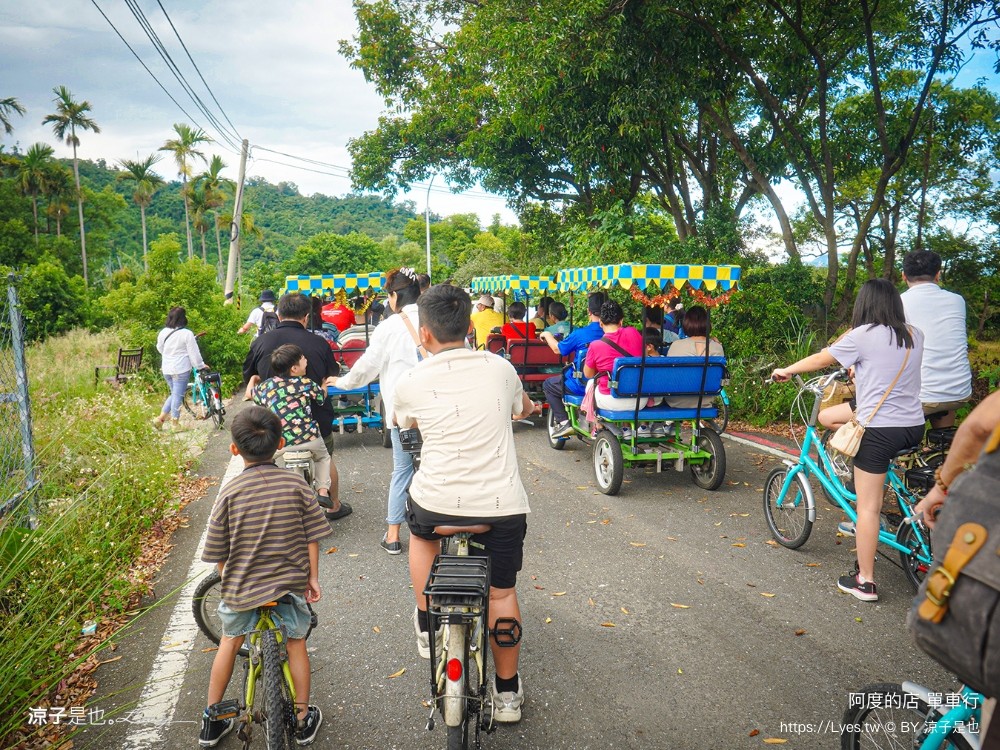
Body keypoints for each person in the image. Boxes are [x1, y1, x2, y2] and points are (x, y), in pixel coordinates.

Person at [394, 284, 539, 723]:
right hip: (501, 506)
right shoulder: (501, 368)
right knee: (503, 593)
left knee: (420, 534)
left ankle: (425, 619)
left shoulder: (412, 380)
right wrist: (522, 408)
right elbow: (523, 407)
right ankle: (508, 694)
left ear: (424, 335)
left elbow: (405, 422)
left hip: (437, 503)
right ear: (470, 326)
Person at [771, 278, 925, 602]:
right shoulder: (915, 334)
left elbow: (821, 359)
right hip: (912, 427)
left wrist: (787, 369)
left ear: (864, 305)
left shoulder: (863, 336)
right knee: (875, 478)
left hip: (880, 430)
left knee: (867, 508)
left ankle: (865, 581)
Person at [199, 406, 329, 748]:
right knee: (296, 642)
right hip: (289, 586)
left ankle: (212, 720)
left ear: (234, 449)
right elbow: (311, 535)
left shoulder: (228, 492)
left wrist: (228, 580)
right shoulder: (296, 485)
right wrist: (312, 579)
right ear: (281, 444)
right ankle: (301, 719)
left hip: (241, 590)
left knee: (230, 641)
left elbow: (217, 554)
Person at [328, 267, 423, 554]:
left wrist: (342, 382)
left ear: (394, 296)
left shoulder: (388, 327)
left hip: (403, 414)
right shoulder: (438, 319)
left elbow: (367, 368)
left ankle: (393, 534)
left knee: (403, 469)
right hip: (440, 411)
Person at [243, 292, 351, 521]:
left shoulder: (260, 342)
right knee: (325, 456)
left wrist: (256, 382)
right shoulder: (319, 343)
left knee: (267, 461)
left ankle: (268, 507)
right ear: (306, 317)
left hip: (272, 426)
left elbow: (249, 375)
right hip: (315, 423)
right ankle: (333, 505)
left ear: (278, 315)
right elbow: (331, 376)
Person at [252, 344, 337, 507]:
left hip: (280, 442)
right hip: (309, 437)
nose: (306, 360)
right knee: (323, 457)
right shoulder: (305, 383)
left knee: (265, 461)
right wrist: (324, 384)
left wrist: (252, 380)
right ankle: (323, 492)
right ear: (295, 368)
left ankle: (269, 492)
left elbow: (252, 395)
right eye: (303, 358)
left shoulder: (267, 385)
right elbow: (321, 397)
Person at [900, 249, 972, 428]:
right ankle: (942, 451)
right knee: (942, 432)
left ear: (903, 276)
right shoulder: (957, 300)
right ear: (938, 275)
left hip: (922, 397)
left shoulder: (898, 302)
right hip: (960, 392)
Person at [539, 292, 606, 438]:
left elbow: (558, 349)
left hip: (581, 385)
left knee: (548, 384)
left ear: (589, 311)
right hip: (608, 383)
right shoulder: (615, 333)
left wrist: (547, 335)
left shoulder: (580, 334)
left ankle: (563, 422)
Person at [583, 300, 647, 412]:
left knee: (590, 384)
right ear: (621, 321)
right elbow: (644, 355)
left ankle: (597, 425)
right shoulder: (634, 332)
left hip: (611, 400)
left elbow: (588, 374)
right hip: (639, 400)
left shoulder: (595, 346)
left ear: (600, 323)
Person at [152, 306, 206, 432]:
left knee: (175, 394)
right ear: (183, 318)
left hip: (166, 369)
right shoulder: (187, 334)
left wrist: (170, 355)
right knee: (177, 395)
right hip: (180, 369)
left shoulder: (163, 332)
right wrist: (201, 366)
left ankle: (160, 419)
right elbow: (194, 354)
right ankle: (175, 423)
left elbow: (160, 348)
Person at [665, 306, 725, 408]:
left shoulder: (676, 345)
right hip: (704, 401)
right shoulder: (717, 347)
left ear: (686, 324)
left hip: (677, 400)